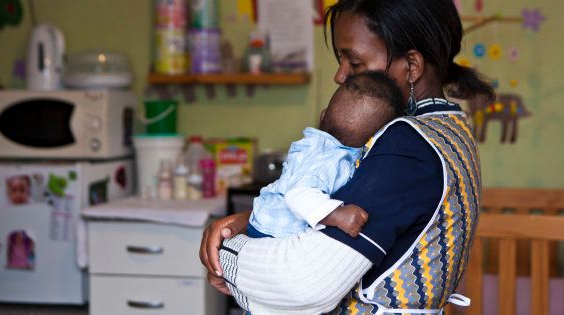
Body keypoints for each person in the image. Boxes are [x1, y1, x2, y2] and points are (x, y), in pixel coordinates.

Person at [200, 0, 494, 314]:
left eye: (354, 63)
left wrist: (229, 254)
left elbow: (303, 284)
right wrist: (256, 223)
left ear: (411, 67)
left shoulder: (408, 145)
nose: (341, 76)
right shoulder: (450, 127)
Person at [248, 71, 405, 239]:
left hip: (266, 221)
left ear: (322, 116)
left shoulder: (317, 146)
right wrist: (338, 215)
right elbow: (298, 195)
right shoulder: (332, 157)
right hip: (275, 232)